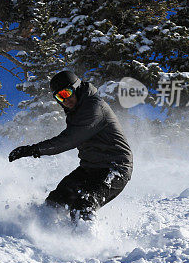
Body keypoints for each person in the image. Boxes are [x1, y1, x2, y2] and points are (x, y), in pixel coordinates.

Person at [8, 70, 133, 221]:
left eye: (67, 93)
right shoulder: (76, 111)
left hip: (115, 167)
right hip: (90, 168)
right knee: (56, 201)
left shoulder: (93, 107)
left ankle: (84, 241)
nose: (65, 100)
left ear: (77, 87)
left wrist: (34, 149)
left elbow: (70, 139)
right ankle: (44, 232)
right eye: (60, 96)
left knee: (84, 205)